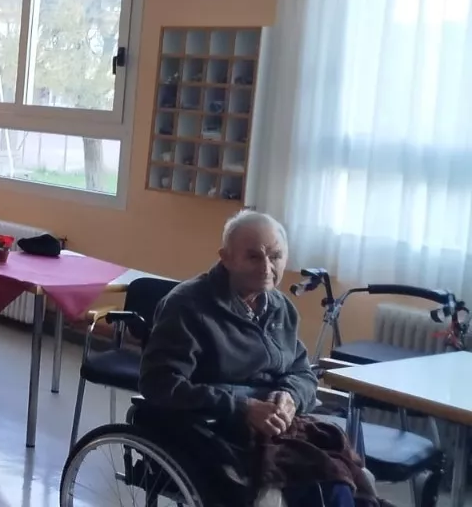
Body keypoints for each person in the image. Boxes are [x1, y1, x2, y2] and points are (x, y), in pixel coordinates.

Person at [140, 211, 376, 506]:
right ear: (225, 257)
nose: (267, 268)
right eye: (254, 257)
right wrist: (243, 408)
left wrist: (289, 396)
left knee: (341, 479)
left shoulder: (280, 308)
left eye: (276, 256)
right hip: (213, 428)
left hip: (276, 426)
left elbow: (302, 371)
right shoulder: (188, 306)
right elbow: (159, 384)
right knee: (320, 486)